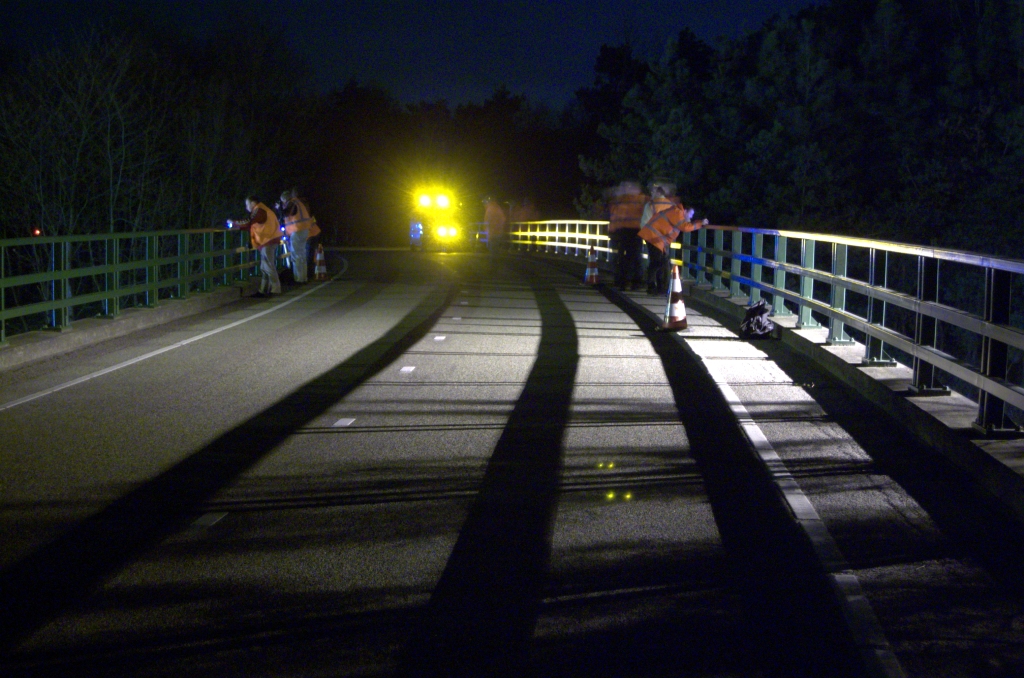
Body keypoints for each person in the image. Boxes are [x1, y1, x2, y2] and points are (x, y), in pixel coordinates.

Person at [638, 180, 705, 295]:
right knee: (658, 262)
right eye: (690, 214)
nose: (691, 217)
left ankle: (658, 287)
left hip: (655, 237)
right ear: (685, 211)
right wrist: (700, 223)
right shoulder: (676, 212)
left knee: (659, 262)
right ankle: (652, 285)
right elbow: (685, 227)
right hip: (654, 237)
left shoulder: (672, 210)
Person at [228, 195, 281, 298]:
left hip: (268, 240)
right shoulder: (262, 210)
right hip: (268, 240)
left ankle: (275, 289)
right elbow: (253, 225)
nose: (246, 207)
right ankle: (263, 289)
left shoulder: (259, 210)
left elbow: (249, 222)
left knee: (269, 266)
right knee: (264, 267)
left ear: (253, 203)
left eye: (247, 204)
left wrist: (234, 223)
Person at [607, 180, 647, 290]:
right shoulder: (642, 200)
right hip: (636, 232)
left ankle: (622, 281)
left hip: (622, 232)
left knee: (623, 258)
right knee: (635, 257)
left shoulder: (620, 200)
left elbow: (615, 217)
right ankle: (635, 282)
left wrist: (612, 231)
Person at [279, 188, 320, 283]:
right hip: (304, 230)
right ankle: (303, 277)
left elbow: (285, 213)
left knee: (296, 255)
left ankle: (298, 278)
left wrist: (280, 208)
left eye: (283, 201)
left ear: (285, 199)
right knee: (302, 255)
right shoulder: (299, 203)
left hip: (297, 231)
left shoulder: (291, 203)